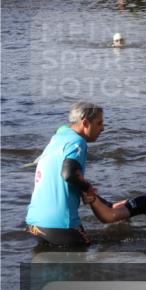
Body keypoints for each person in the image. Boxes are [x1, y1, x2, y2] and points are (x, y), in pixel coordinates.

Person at [24, 102, 105, 246]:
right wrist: (88, 188)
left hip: (34, 223)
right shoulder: (78, 142)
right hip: (60, 225)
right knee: (96, 254)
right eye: (99, 123)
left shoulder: (60, 136)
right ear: (85, 123)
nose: (103, 128)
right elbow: (69, 174)